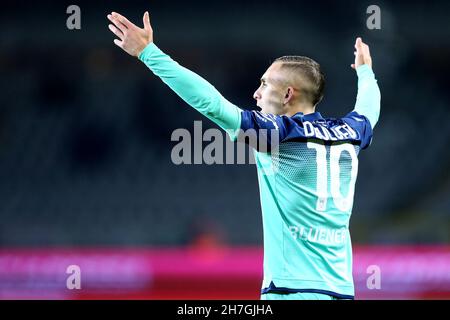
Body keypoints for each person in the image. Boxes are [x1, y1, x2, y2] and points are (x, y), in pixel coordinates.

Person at [107, 11, 380, 300]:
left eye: (264, 84)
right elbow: (368, 110)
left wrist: (148, 53)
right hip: (341, 291)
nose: (256, 93)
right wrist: (366, 72)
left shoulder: (280, 135)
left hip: (292, 291)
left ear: (288, 94)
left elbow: (212, 104)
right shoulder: (349, 133)